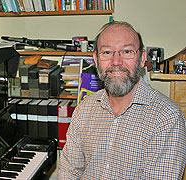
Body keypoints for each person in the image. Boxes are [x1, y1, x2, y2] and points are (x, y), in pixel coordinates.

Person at [58, 21, 186, 179]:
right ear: (96, 60)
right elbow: (68, 172)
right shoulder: (84, 109)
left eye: (127, 51)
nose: (116, 62)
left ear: (141, 58)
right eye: (107, 53)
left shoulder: (167, 117)